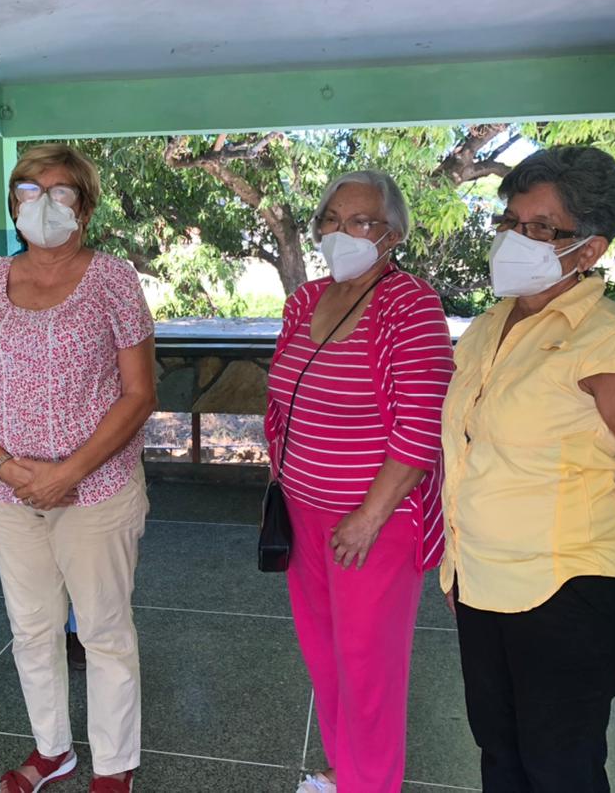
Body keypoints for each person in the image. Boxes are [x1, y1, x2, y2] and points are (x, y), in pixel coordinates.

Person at [440, 145, 615, 792]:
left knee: (560, 772)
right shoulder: (487, 328)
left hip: (567, 593)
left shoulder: (610, 342)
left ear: (588, 250)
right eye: (509, 221)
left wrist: (602, 483)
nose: (513, 238)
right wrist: (460, 563)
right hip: (484, 584)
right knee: (501, 758)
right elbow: (476, 453)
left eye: (539, 228)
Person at [0, 143, 155, 793]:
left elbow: (140, 393)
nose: (43, 204)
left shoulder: (113, 278)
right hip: (9, 495)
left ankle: (114, 767)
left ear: (85, 207)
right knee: (32, 629)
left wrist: (69, 471)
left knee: (102, 630)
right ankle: (53, 751)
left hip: (95, 492)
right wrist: (7, 466)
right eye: (29, 191)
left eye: (61, 191)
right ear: (13, 206)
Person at [264, 171, 454, 793]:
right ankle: (346, 770)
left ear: (392, 235)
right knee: (325, 657)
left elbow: (421, 427)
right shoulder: (305, 299)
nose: (342, 232)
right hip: (304, 513)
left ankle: (371, 784)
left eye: (362, 222)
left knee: (369, 670)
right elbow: (281, 400)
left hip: (374, 523)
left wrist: (369, 516)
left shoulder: (412, 305)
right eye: (332, 220)